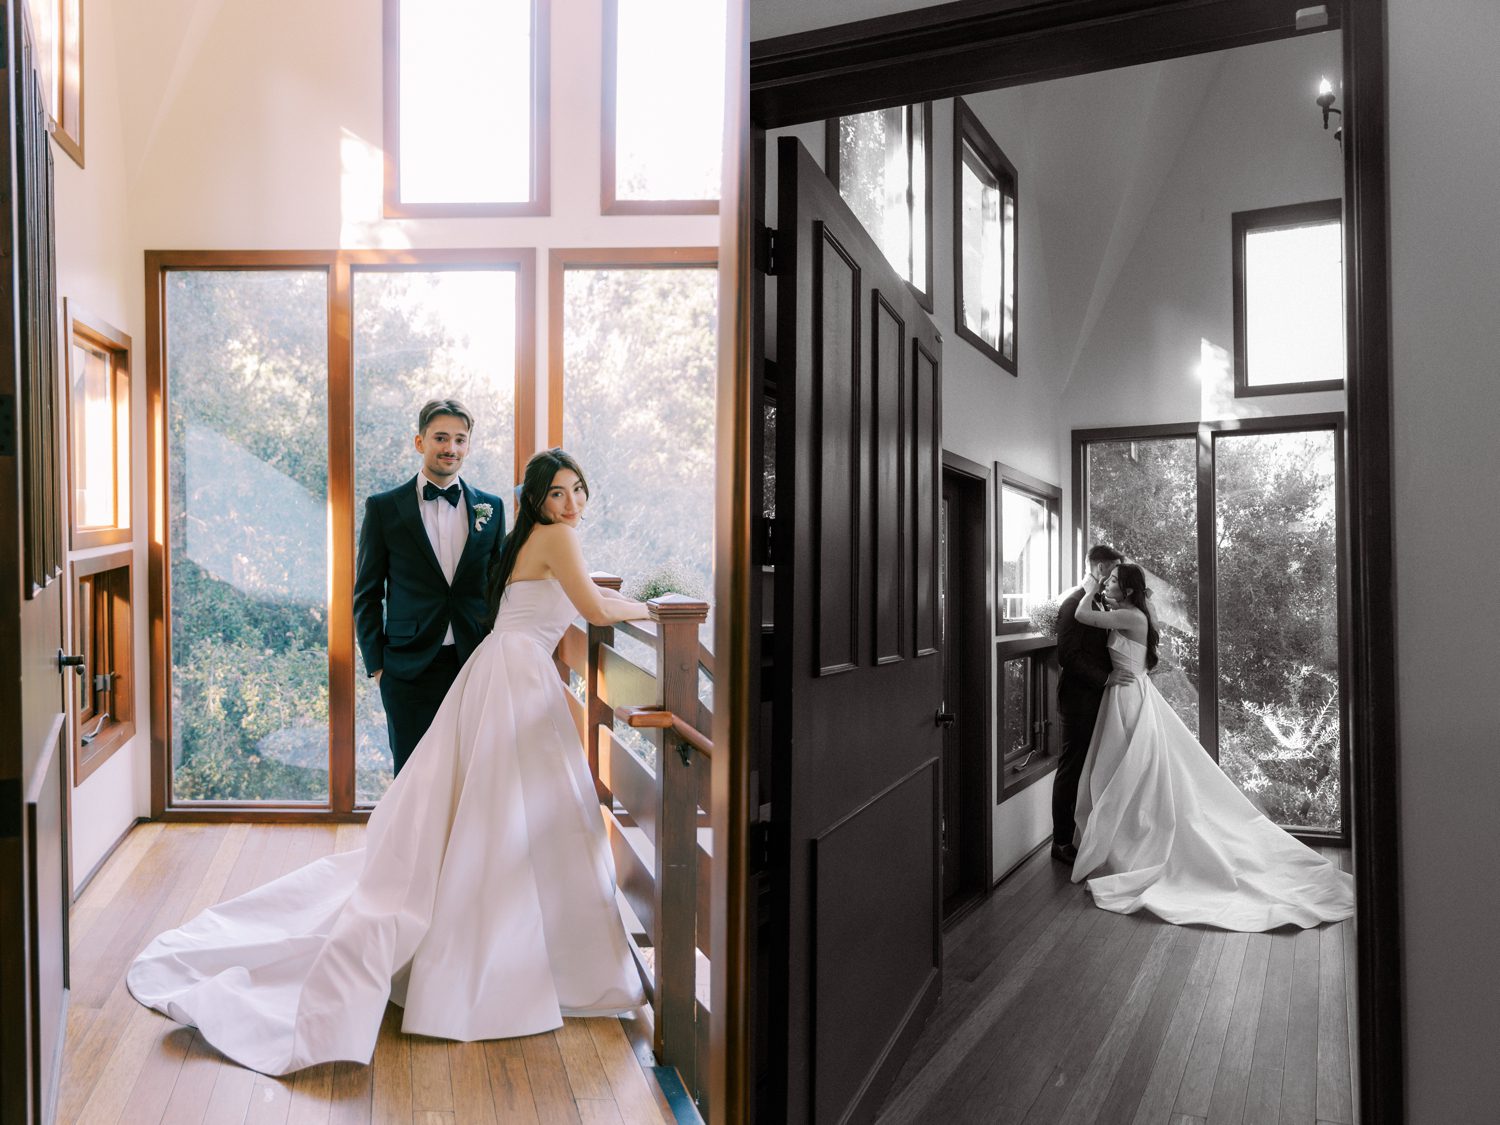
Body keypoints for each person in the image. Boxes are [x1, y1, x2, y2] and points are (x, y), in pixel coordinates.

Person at [127, 449, 652, 1075]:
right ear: (535, 502)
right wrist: (654, 607)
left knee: (500, 810)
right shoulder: (558, 538)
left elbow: (570, 600)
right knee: (507, 812)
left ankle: (506, 952)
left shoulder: (523, 538)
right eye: (557, 494)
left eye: (578, 491)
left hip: (503, 669)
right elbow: (593, 608)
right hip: (516, 675)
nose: (571, 504)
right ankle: (497, 963)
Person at [1068, 561, 1354, 930]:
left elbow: (1081, 614)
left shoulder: (1131, 617)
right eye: (1105, 581)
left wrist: (1088, 586)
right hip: (1127, 691)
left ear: (1127, 589)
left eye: (1112, 582)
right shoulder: (1133, 612)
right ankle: (1122, 836)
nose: (1106, 585)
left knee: (1129, 770)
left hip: (1127, 697)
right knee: (1126, 771)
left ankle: (1131, 841)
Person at [354, 398, 508, 775]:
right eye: (440, 437)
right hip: (408, 669)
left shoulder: (492, 508)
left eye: (460, 439)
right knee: (412, 775)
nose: (450, 448)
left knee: (470, 776)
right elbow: (366, 594)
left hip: (474, 662)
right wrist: (378, 666)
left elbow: (501, 586)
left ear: (468, 445)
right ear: (420, 442)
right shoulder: (384, 508)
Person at [1051, 543, 1130, 864]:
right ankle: (1060, 842)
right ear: (1099, 569)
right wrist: (1105, 678)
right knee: (1071, 769)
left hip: (1100, 699)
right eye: (1111, 573)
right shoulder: (1073, 603)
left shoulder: (1101, 602)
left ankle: (1086, 834)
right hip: (1081, 701)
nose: (1113, 580)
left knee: (1093, 768)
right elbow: (1067, 655)